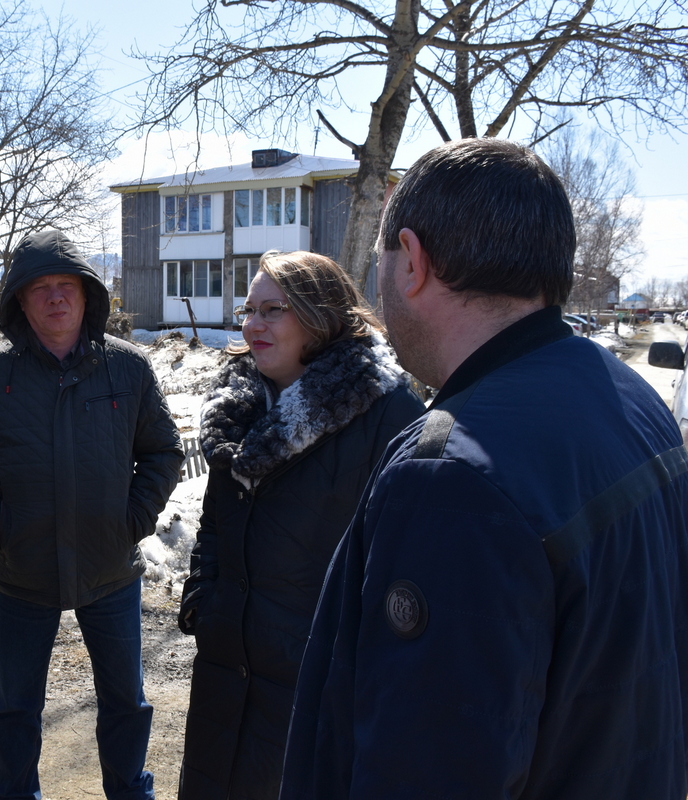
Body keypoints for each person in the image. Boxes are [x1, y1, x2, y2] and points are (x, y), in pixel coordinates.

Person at [281, 138, 688, 799]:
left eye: (378, 259)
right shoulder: (632, 399)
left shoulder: (451, 479)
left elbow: (422, 771)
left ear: (411, 261)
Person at [0, 229, 183, 800]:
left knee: (127, 700)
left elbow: (164, 451)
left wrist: (133, 520)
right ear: (20, 302)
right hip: (23, 571)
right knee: (16, 708)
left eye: (67, 285)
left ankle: (129, 790)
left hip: (109, 569)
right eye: (40, 288)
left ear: (87, 294)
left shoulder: (128, 368)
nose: (55, 297)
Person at [177, 251, 423, 799]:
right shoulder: (235, 406)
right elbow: (215, 522)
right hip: (225, 669)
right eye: (248, 310)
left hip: (315, 684)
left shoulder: (387, 412)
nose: (251, 325)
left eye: (272, 310)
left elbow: (403, 566)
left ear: (319, 314)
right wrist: (205, 597)